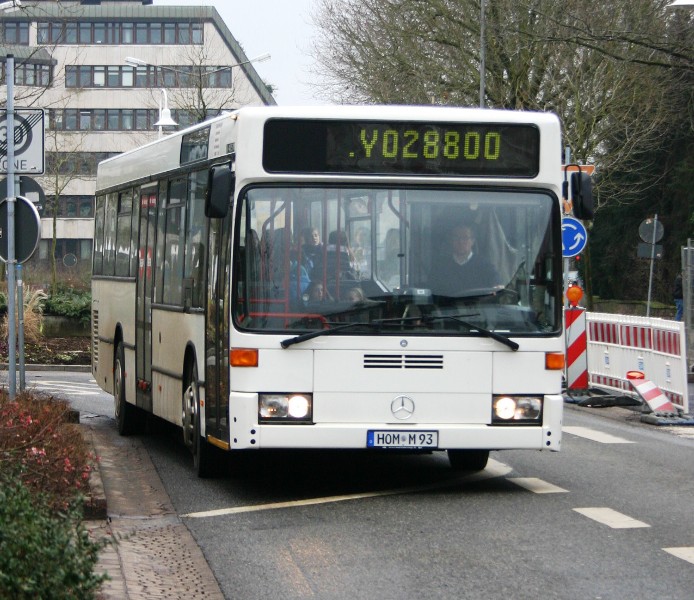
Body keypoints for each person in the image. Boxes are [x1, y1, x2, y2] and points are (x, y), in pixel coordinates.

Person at [429, 223, 501, 296]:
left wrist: (497, 286)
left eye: (465, 238)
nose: (461, 242)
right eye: (456, 238)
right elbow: (433, 291)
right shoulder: (440, 266)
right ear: (451, 241)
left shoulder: (485, 265)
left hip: (479, 306)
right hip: (447, 306)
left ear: (472, 241)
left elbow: (495, 280)